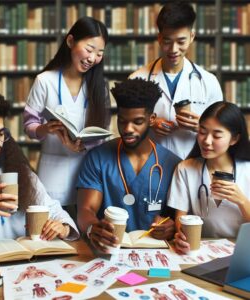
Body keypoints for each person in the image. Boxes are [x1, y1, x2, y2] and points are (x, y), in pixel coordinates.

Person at [0, 88, 79, 242]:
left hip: (6, 260)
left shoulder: (14, 165)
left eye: (1, 133)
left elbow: (53, 210)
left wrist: (63, 227)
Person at [77, 78, 181, 253]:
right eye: (122, 121)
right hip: (109, 248)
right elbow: (86, 209)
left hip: (156, 251)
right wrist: (93, 228)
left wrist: (171, 227)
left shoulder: (173, 163)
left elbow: (176, 217)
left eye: (137, 122)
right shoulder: (98, 158)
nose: (128, 129)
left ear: (151, 119)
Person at [23, 16, 110, 211]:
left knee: (82, 227)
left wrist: (80, 145)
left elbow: (103, 131)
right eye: (89, 49)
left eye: (99, 53)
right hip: (52, 171)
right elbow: (29, 126)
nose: (92, 58)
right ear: (70, 41)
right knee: (52, 229)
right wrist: (45, 128)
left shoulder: (99, 87)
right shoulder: (45, 81)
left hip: (88, 171)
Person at [129, 1, 223, 159]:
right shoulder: (137, 79)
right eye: (167, 41)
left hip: (194, 168)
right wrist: (150, 123)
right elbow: (127, 126)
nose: (173, 49)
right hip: (151, 167)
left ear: (192, 37)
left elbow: (222, 132)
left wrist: (202, 126)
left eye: (181, 42)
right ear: (159, 38)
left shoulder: (209, 82)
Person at [167, 102, 250, 253]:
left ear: (234, 139)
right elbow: (180, 220)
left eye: (217, 135)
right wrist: (181, 236)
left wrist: (242, 201)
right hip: (200, 252)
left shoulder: (247, 169)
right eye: (202, 131)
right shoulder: (185, 168)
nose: (206, 141)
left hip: (242, 252)